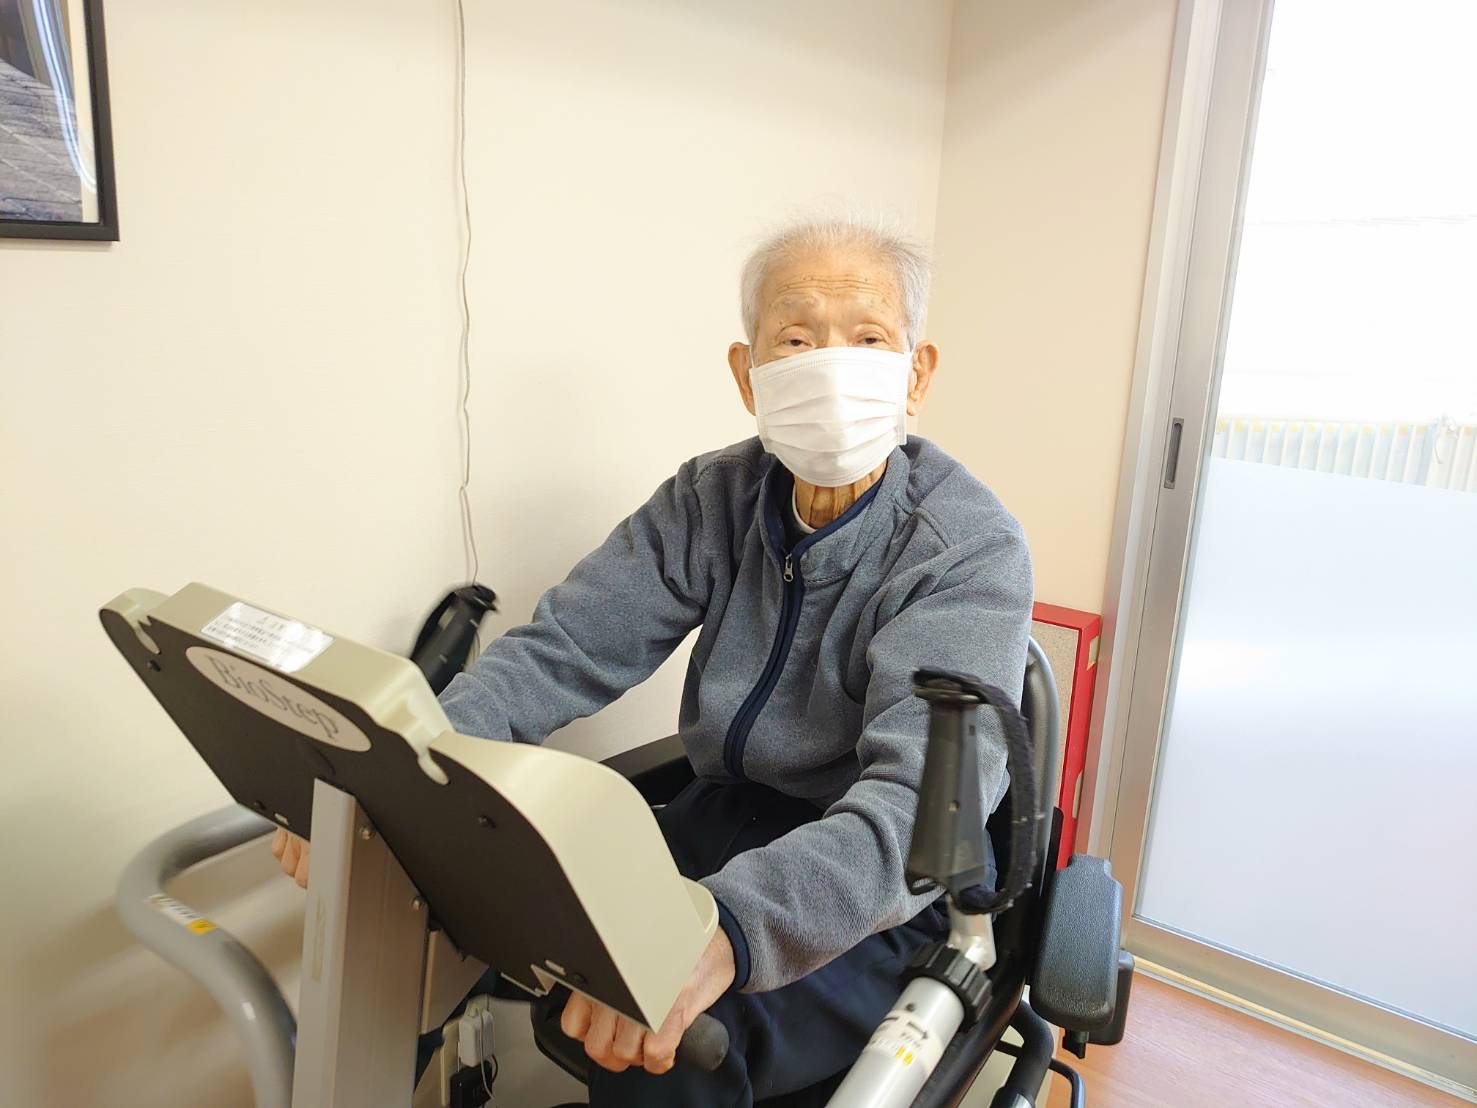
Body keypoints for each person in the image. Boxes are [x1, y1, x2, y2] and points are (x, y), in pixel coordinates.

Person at [271, 213, 1033, 1107]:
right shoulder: (713, 497)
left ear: (916, 373)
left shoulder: (967, 547)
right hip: (723, 816)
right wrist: (392, 774)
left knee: (662, 1041)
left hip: (884, 888)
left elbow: (914, 813)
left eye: (867, 339)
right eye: (796, 340)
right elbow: (560, 651)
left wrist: (728, 930)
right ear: (747, 374)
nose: (831, 366)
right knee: (426, 904)